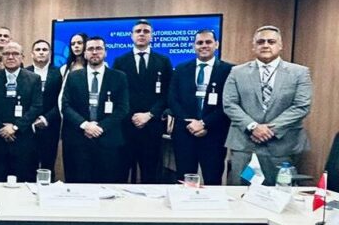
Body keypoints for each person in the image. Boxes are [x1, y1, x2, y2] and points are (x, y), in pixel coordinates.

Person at [223, 25, 312, 185]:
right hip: (245, 145)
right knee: (241, 191)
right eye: (260, 42)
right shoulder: (237, 72)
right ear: (253, 46)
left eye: (271, 42)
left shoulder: (299, 72)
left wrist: (269, 129)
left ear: (280, 45)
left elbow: (301, 106)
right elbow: (229, 103)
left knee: (279, 191)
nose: (265, 45)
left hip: (282, 145)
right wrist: (253, 127)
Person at [168, 30, 234, 185]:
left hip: (214, 135)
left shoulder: (229, 71)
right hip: (185, 133)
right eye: (199, 43)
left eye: (208, 42)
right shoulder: (181, 69)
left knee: (213, 180)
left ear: (216, 44)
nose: (204, 46)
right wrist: (190, 123)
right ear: (194, 46)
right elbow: (172, 100)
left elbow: (229, 103)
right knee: (184, 180)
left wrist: (204, 123)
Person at [61, 36, 130, 183]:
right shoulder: (73, 77)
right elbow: (65, 106)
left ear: (105, 52)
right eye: (90, 49)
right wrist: (86, 125)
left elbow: (122, 108)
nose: (94, 52)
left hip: (108, 140)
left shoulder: (119, 77)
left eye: (98, 48)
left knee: (107, 186)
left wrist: (99, 127)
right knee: (79, 185)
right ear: (85, 53)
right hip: (79, 140)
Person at [113, 19, 172, 183]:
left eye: (146, 31)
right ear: (131, 36)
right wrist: (133, 116)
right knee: (120, 173)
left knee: (151, 174)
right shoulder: (120, 61)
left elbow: (168, 93)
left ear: (152, 36)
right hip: (126, 126)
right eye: (138, 31)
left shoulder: (163, 61)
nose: (141, 34)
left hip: (152, 126)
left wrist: (149, 114)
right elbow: (117, 94)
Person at [0, 42, 43, 182]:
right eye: (6, 54)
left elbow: (36, 106)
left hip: (23, 139)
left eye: (15, 53)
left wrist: (15, 127)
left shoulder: (34, 79)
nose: (10, 57)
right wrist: (1, 128)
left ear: (22, 57)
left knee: (23, 181)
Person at [27, 39, 64, 172]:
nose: (41, 52)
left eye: (44, 50)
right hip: (27, 126)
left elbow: (62, 100)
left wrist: (46, 118)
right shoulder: (24, 72)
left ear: (50, 53)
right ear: (32, 53)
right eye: (38, 50)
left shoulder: (59, 73)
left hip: (50, 125)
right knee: (27, 166)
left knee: (48, 166)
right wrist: (31, 119)